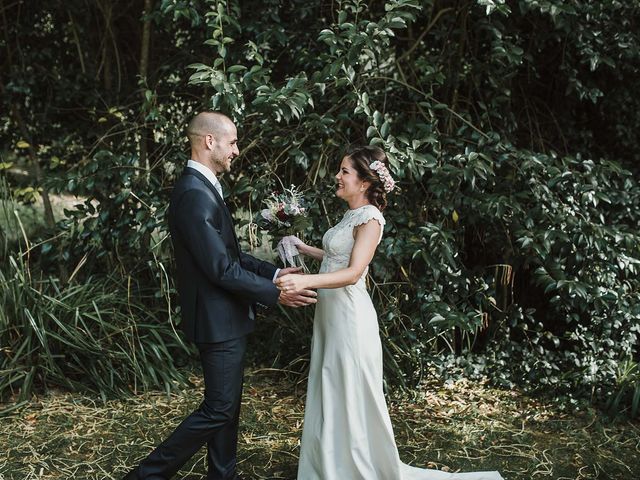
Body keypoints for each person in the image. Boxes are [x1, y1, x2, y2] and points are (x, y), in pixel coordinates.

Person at [276, 145, 503, 480]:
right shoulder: (351, 214)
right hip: (331, 317)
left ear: (365, 182)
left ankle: (351, 466)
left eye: (344, 172)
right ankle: (330, 463)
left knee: (348, 389)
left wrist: (306, 281)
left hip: (350, 319)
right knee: (332, 385)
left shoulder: (371, 219)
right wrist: (303, 248)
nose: (337, 177)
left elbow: (354, 272)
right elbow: (336, 255)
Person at [124, 111, 317, 480]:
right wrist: (275, 294)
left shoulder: (203, 187)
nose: (237, 151)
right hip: (217, 321)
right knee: (218, 410)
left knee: (227, 409)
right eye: (232, 142)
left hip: (225, 318)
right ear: (209, 141)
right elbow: (220, 269)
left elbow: (228, 255)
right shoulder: (194, 194)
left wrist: (274, 272)